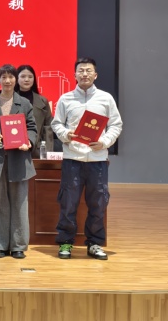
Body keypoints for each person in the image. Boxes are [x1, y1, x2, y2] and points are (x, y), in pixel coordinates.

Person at [51, 57, 123, 260]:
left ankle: (94, 243)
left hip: (97, 160)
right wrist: (66, 134)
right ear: (74, 75)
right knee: (68, 203)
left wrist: (105, 142)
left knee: (98, 204)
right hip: (72, 159)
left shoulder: (105, 98)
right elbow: (56, 124)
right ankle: (66, 242)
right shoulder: (65, 99)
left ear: (95, 75)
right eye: (81, 71)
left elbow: (116, 125)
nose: (84, 74)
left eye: (88, 71)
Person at [0, 64, 38, 259]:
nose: (7, 80)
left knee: (20, 203)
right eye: (3, 77)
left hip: (18, 159)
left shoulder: (24, 104)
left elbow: (32, 128)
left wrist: (28, 142)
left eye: (11, 77)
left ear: (15, 80)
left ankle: (18, 245)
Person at [16, 64, 54, 159]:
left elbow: (48, 127)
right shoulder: (10, 99)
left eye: (30, 77)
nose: (27, 79)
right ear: (16, 79)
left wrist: (47, 151)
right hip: (14, 148)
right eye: (23, 76)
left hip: (37, 150)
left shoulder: (42, 101)